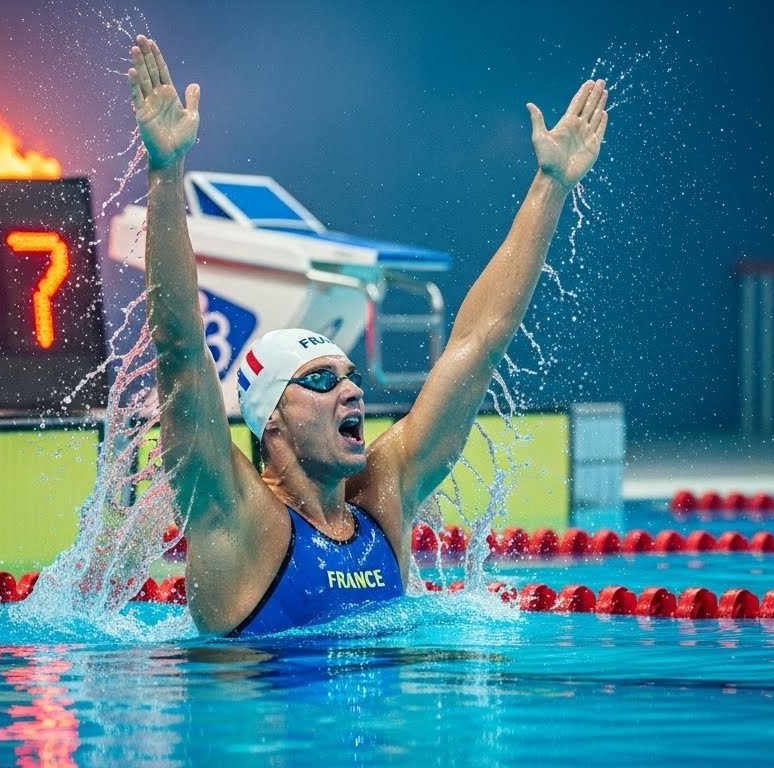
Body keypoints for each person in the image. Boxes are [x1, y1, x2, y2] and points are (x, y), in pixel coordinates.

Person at [127, 34, 607, 636]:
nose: (351, 392)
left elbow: (479, 341)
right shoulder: (236, 517)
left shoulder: (384, 500)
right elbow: (179, 346)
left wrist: (551, 185)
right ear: (269, 417)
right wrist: (166, 171)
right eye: (322, 381)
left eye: (350, 377)